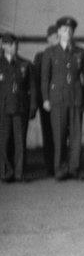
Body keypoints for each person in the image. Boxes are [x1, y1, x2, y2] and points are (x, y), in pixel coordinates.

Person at [41, 16, 84, 181]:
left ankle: (74, 168)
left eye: (70, 30)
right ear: (59, 32)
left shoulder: (81, 52)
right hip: (58, 99)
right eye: (64, 30)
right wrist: (46, 99)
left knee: (76, 136)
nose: (67, 32)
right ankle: (60, 169)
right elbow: (45, 78)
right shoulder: (50, 52)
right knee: (59, 136)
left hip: (76, 98)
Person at [0, 33, 33, 182]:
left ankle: (20, 173)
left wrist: (32, 107)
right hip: (3, 108)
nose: (15, 47)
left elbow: (32, 88)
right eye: (11, 44)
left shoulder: (25, 64)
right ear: (4, 46)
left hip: (20, 107)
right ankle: (6, 172)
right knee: (4, 141)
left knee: (20, 141)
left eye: (16, 44)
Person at [32, 25, 58, 176]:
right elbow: (37, 80)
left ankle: (61, 161)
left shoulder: (64, 54)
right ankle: (50, 166)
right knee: (48, 133)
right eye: (53, 37)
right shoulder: (41, 56)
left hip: (61, 101)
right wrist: (42, 100)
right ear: (48, 39)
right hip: (46, 102)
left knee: (62, 134)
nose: (56, 40)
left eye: (57, 37)